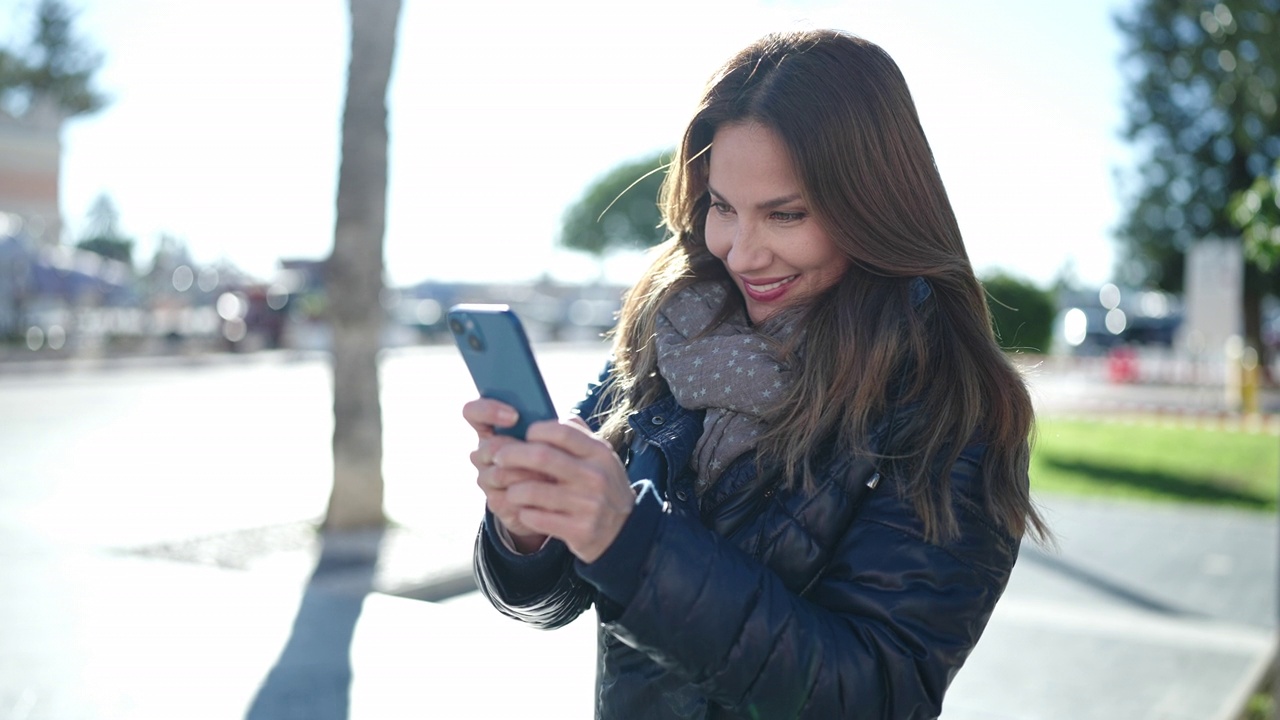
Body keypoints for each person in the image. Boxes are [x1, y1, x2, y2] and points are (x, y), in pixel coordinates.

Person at [463, 28, 1049, 720]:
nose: (741, 254)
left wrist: (633, 543)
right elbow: (550, 595)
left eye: (786, 214)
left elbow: (876, 693)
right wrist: (527, 527)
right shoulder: (670, 331)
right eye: (721, 207)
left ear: (875, 206)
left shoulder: (946, 403)